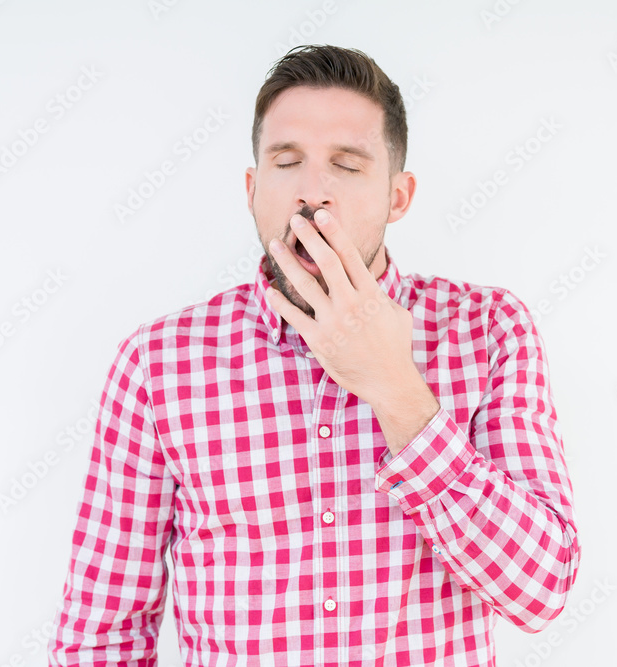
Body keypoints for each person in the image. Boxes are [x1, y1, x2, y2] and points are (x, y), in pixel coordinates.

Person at [47, 44, 580, 667]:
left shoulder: (488, 330)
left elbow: (541, 592)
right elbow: (100, 636)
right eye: (286, 162)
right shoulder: (157, 363)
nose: (312, 192)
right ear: (253, 189)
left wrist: (397, 389)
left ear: (398, 197)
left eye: (347, 165)